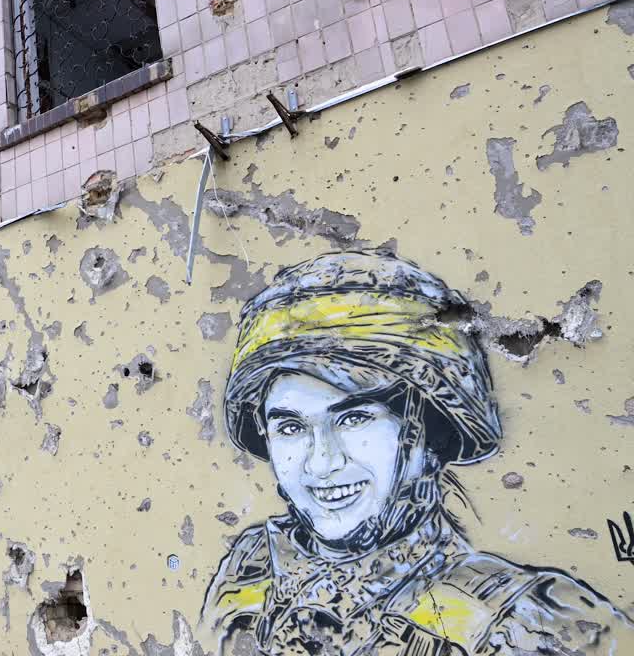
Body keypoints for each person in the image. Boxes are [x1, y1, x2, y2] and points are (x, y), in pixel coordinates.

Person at [197, 251, 633, 656]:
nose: (321, 463)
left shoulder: (528, 622)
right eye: (291, 427)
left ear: (430, 431)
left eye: (354, 418)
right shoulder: (252, 571)